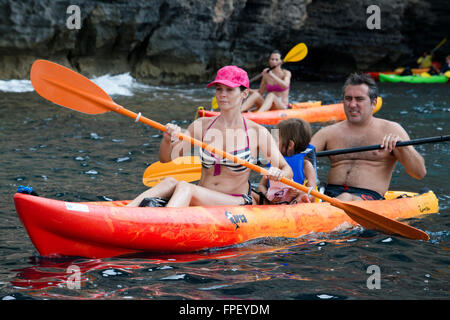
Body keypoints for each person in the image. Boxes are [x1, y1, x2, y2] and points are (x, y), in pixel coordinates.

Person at [127, 65, 293, 207]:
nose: (222, 94)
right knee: (170, 181)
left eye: (229, 90)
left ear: (244, 93)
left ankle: (162, 226)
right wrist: (166, 139)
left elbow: (287, 170)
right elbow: (166, 159)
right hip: (202, 194)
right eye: (219, 89)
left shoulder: (258, 132)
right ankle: (126, 211)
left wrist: (279, 174)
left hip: (235, 201)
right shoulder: (201, 125)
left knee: (186, 187)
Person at [310, 73, 426, 201]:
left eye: (359, 99)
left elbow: (419, 173)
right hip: (329, 193)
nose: (352, 104)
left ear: (373, 103)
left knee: (346, 197)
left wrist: (403, 148)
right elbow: (302, 159)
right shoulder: (327, 132)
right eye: (348, 98)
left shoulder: (392, 129)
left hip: (368, 197)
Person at [257, 118, 317, 205]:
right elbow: (261, 185)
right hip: (273, 203)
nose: (272, 143)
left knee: (304, 196)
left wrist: (298, 192)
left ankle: (292, 205)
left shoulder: (306, 165)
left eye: (276, 140)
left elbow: (313, 193)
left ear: (290, 145)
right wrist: (267, 195)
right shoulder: (274, 163)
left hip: (296, 202)